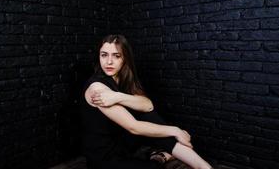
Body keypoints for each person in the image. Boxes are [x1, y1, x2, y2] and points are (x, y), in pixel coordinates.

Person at [80, 34, 213, 169]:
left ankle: (203, 166)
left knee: (149, 116)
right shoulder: (97, 89)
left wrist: (118, 96)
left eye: (116, 56)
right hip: (104, 158)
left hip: (121, 145)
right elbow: (134, 127)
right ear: (99, 56)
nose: (109, 62)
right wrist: (176, 130)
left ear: (125, 58)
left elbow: (148, 106)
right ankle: (159, 158)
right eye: (104, 55)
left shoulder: (123, 79)